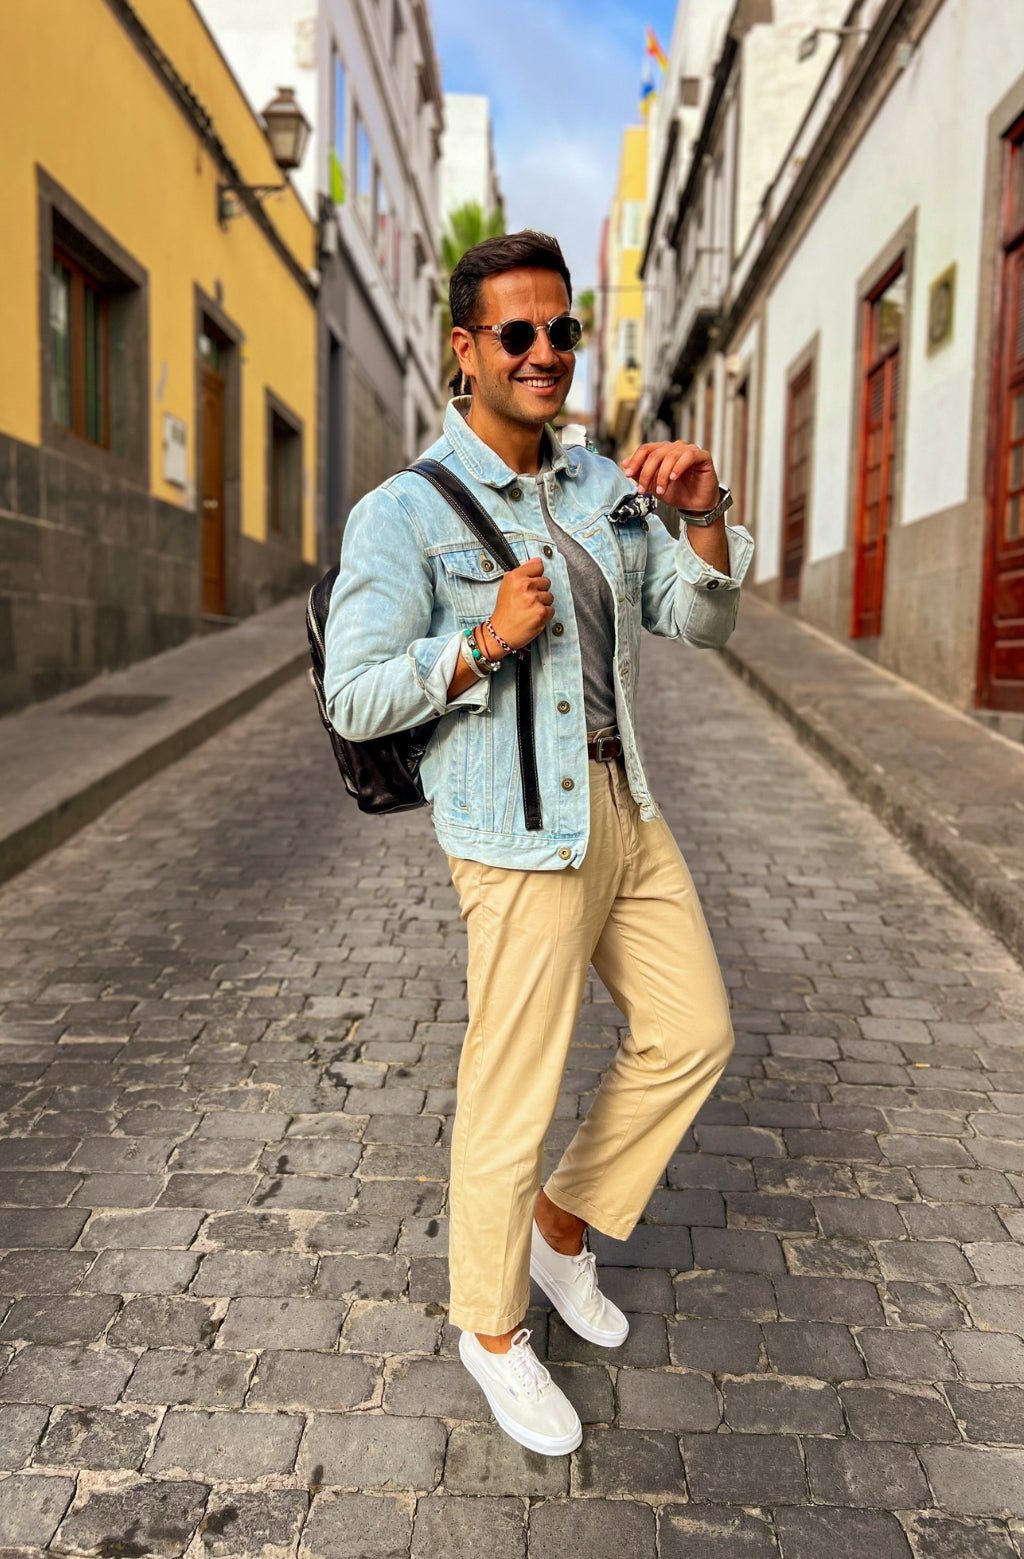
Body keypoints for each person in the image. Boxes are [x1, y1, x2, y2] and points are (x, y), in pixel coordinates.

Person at [324, 231, 753, 1456]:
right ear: (464, 350)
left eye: (561, 330)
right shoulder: (404, 512)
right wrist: (478, 645)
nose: (545, 352)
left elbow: (695, 619)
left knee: (692, 1032)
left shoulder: (601, 484)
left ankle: (557, 1230)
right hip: (514, 834)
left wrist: (702, 515)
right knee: (510, 1091)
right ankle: (490, 1324)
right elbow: (354, 694)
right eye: (516, 333)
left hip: (624, 803)